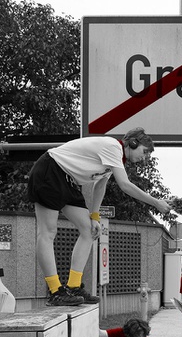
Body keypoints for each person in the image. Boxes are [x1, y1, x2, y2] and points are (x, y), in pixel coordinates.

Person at [26, 128, 172, 306]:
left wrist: (95, 216)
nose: (145, 157)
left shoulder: (115, 160)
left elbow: (100, 186)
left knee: (89, 231)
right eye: (145, 151)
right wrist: (156, 202)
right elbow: (125, 185)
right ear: (133, 143)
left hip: (68, 181)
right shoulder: (113, 147)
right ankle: (55, 291)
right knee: (47, 232)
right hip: (51, 170)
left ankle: (73, 286)